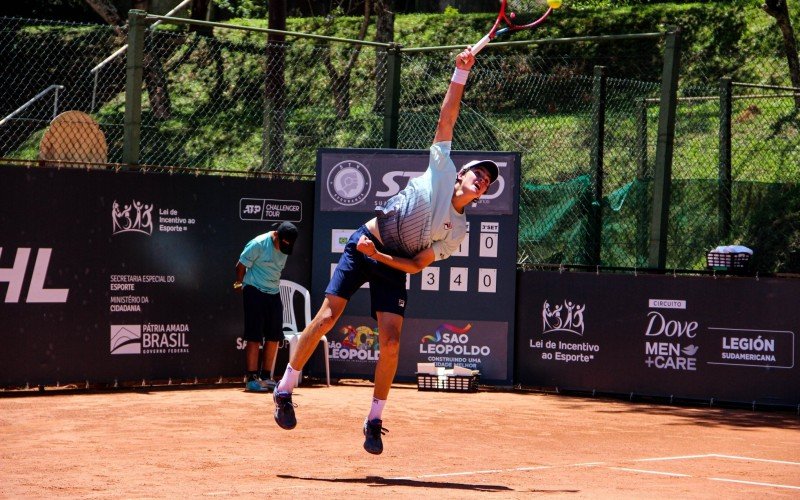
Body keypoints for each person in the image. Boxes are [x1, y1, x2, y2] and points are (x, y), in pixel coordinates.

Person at [272, 47, 498, 455]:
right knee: (326, 318)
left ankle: (374, 420)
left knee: (392, 342)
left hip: (390, 261)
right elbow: (448, 116)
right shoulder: (442, 169)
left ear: (480, 195)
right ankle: (285, 388)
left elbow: (415, 264)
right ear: (460, 173)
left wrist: (382, 260)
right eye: (477, 173)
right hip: (365, 243)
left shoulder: (459, 229)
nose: (481, 179)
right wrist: (459, 73)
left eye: (486, 182)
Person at [234, 221, 299, 392]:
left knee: (274, 336)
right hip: (253, 289)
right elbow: (240, 266)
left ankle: (265, 377)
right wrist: (239, 285)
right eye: (282, 244)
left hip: (273, 292)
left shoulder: (286, 245)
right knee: (254, 336)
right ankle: (251, 379)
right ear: (276, 235)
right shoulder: (258, 244)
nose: (283, 249)